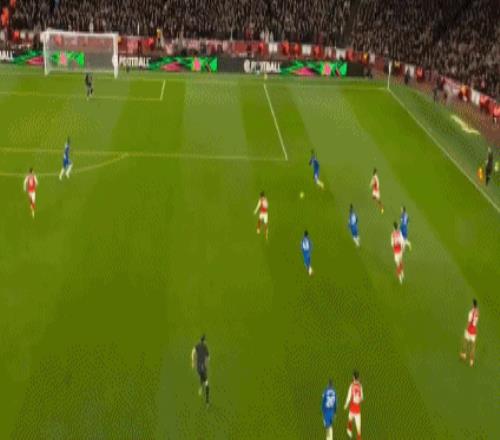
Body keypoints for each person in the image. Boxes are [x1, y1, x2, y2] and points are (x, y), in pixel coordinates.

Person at [191, 334, 210, 406]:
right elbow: (208, 357)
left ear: (200, 340)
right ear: (204, 341)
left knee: (202, 376)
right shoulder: (205, 347)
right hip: (203, 368)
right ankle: (207, 402)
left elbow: (193, 351)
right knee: (207, 384)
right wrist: (206, 363)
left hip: (198, 368)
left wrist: (193, 362)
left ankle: (200, 388)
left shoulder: (198, 345)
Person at [344, 370, 363, 440]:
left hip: (352, 409)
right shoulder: (360, 386)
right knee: (359, 431)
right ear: (358, 378)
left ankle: (349, 431)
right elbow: (362, 397)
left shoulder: (351, 386)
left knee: (349, 420)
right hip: (357, 411)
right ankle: (350, 431)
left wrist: (346, 405)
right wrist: (358, 399)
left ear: (353, 377)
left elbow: (348, 397)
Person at [460, 299, 479, 367]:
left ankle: (464, 355)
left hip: (469, 330)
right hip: (474, 331)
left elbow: (469, 322)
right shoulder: (477, 312)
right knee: (473, 346)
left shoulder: (471, 312)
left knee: (465, 341)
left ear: (473, 304)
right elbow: (475, 322)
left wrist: (466, 329)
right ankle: (471, 361)